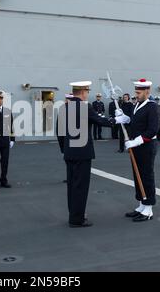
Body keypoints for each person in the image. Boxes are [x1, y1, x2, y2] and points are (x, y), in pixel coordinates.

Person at [57, 81, 130, 227]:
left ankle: (74, 213)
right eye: (87, 92)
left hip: (70, 153)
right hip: (83, 153)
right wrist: (117, 119)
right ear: (83, 92)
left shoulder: (64, 108)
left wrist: (64, 149)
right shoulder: (85, 107)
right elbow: (100, 120)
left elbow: (59, 132)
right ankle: (77, 219)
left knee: (72, 186)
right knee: (81, 187)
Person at [124, 78, 160, 222]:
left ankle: (148, 208)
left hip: (146, 146)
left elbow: (152, 130)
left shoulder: (152, 106)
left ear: (147, 91)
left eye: (139, 92)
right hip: (137, 147)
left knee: (146, 175)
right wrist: (124, 119)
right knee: (137, 174)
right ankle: (141, 204)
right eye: (135, 92)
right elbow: (135, 121)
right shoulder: (137, 105)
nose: (136, 95)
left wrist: (135, 142)